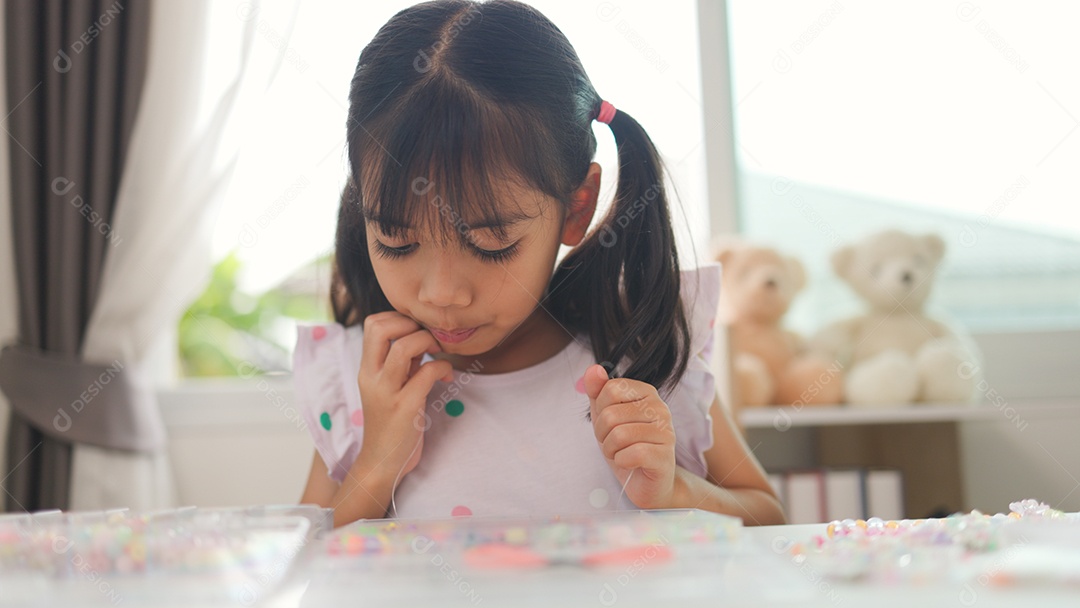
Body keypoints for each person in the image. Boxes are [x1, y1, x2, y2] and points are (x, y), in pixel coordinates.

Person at [296, 0, 784, 528]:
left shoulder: (645, 353)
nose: (442, 293)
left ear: (576, 208)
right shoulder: (363, 381)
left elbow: (768, 518)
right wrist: (376, 464)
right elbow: (300, 560)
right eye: (395, 241)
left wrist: (674, 489)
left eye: (490, 245)